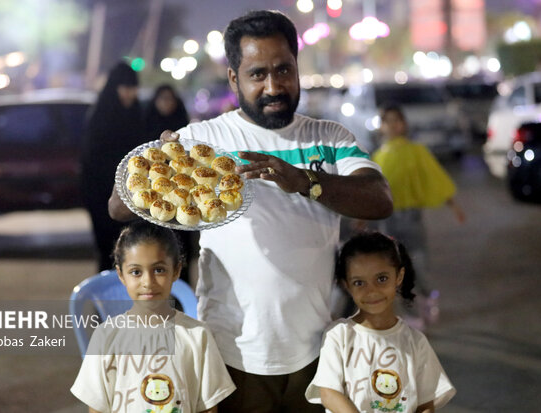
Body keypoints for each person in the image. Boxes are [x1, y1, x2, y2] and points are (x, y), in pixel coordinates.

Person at [109, 10, 393, 412]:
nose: (273, 86)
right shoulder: (205, 141)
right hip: (231, 352)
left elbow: (379, 197)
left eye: (283, 70)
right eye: (258, 74)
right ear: (234, 78)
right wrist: (158, 164)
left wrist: (307, 183)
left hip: (316, 349)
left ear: (297, 68)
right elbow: (118, 208)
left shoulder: (329, 138)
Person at [71, 221, 235, 413]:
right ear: (121, 275)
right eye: (136, 272)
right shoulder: (106, 337)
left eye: (158, 270)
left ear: (176, 270)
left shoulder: (197, 335)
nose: (148, 282)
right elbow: (97, 407)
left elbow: (208, 407)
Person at [305, 231, 456, 412]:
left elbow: (425, 403)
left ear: (398, 277)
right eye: (359, 283)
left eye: (381, 279)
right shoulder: (338, 335)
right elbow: (329, 393)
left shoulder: (416, 341)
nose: (372, 291)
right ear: (346, 285)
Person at [372, 104, 465, 328]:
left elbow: (435, 177)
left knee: (419, 266)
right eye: (388, 121)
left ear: (403, 124)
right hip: (387, 222)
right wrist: (361, 217)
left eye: (397, 120)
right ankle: (411, 314)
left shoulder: (416, 151)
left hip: (412, 219)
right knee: (395, 269)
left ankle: (427, 297)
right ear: (381, 127)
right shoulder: (377, 157)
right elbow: (372, 191)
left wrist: (453, 205)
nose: (393, 125)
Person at [81, 61, 147, 272]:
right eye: (125, 88)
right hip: (102, 195)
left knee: (132, 252)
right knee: (108, 250)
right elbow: (91, 159)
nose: (129, 93)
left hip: (132, 194)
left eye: (133, 88)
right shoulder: (101, 116)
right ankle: (105, 301)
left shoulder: (137, 114)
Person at [144, 84, 198, 284]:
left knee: (179, 254)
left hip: (183, 203)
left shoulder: (184, 132)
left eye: (170, 99)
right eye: (162, 99)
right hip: (154, 204)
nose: (166, 104)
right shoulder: (146, 127)